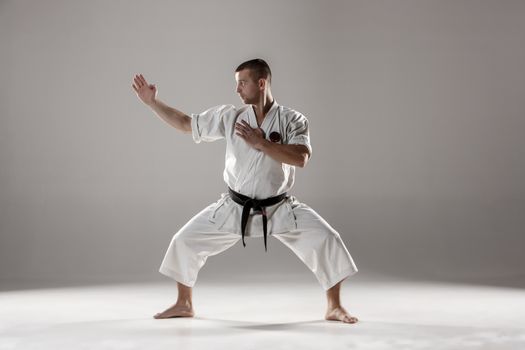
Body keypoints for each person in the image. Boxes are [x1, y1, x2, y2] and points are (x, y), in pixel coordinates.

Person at [132, 59, 359, 324]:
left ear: (261, 83)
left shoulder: (292, 119)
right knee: (184, 241)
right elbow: (185, 123)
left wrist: (261, 143)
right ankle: (184, 303)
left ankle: (334, 306)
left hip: (279, 207)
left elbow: (301, 158)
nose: (237, 90)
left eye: (242, 83)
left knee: (327, 239)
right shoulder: (231, 117)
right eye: (236, 84)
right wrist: (153, 103)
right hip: (234, 206)